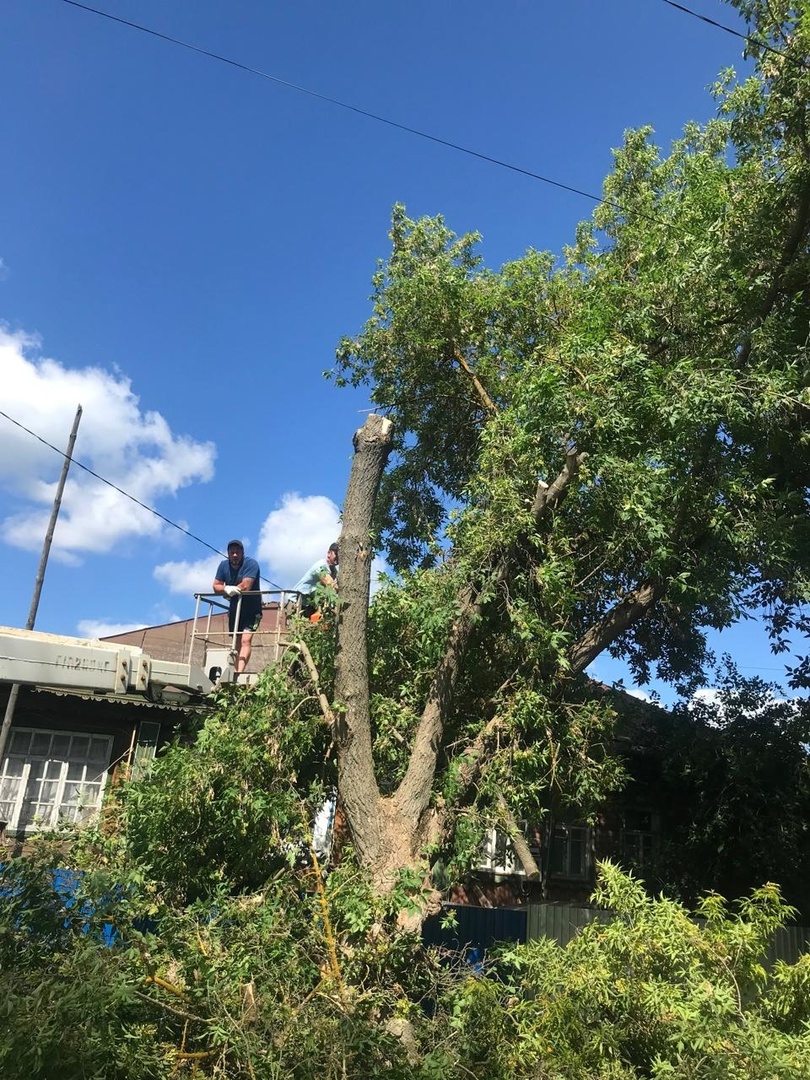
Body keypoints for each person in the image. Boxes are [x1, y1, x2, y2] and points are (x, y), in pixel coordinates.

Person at [213, 539, 262, 674]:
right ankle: (234, 670)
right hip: (236, 609)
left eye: (237, 552)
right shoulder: (223, 566)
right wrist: (226, 588)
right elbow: (215, 586)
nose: (234, 555)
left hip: (252, 610)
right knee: (236, 642)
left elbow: (246, 585)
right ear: (228, 554)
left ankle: (238, 673)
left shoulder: (251, 564)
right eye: (232, 552)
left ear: (242, 553)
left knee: (246, 640)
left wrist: (232, 589)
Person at [291, 543, 339, 619]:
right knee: (294, 628)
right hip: (297, 602)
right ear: (329, 553)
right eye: (336, 554)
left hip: (309, 604)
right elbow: (330, 585)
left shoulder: (334, 571)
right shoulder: (321, 565)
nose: (338, 558)